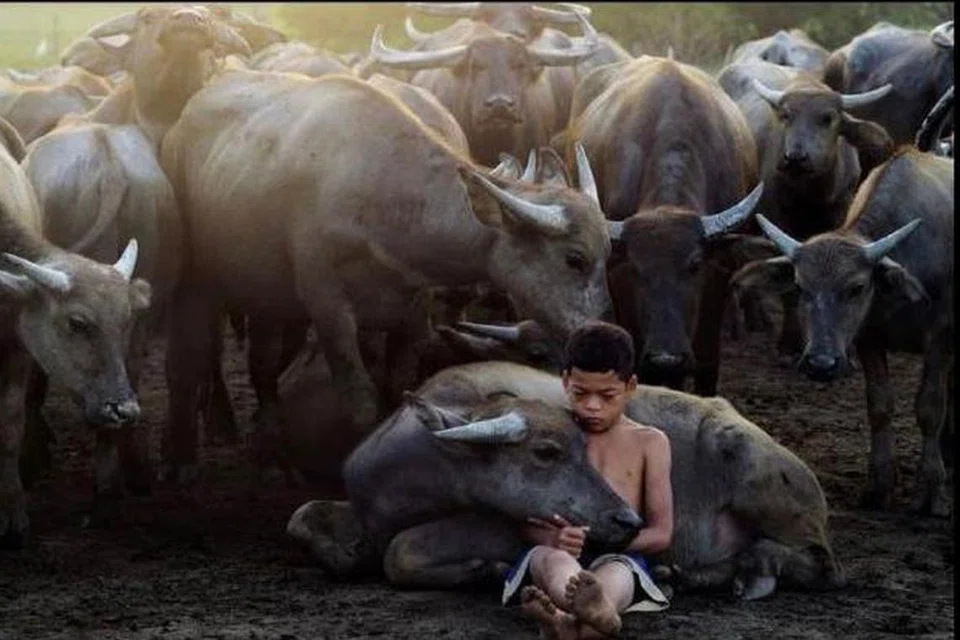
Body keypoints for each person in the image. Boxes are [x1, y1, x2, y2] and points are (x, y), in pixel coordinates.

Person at [502, 320, 674, 639]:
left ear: (631, 386)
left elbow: (661, 533)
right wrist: (553, 539)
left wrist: (607, 541)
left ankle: (566, 621)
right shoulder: (550, 436)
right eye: (580, 393)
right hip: (559, 554)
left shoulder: (650, 443)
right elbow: (519, 515)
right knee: (553, 561)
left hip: (620, 554)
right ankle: (577, 612)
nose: (592, 407)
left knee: (617, 575)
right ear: (565, 381)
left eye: (607, 395)